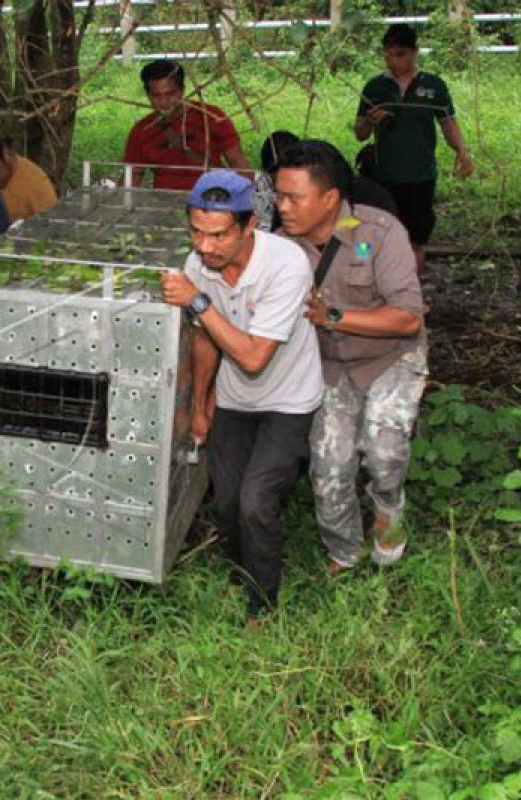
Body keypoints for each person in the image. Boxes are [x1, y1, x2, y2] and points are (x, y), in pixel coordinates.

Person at [159, 170, 322, 618]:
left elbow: (252, 357)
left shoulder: (286, 265)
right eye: (196, 231)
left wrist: (197, 302)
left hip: (288, 400)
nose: (205, 246)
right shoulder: (200, 267)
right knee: (226, 501)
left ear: (249, 225)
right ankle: (242, 568)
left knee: (255, 503)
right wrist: (199, 406)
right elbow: (207, 339)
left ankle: (262, 607)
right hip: (235, 399)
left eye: (218, 235)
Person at [274, 139, 427, 573]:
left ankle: (389, 544)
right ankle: (343, 551)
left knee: (384, 456)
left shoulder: (379, 233)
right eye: (279, 195)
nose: (283, 206)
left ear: (329, 199)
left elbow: (407, 319)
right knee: (328, 468)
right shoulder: (280, 245)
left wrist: (334, 316)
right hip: (328, 365)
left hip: (389, 359)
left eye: (293, 197)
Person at [354, 23, 474, 274]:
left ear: (414, 53)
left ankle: (411, 296)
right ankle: (362, 285)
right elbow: (360, 134)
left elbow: (448, 123)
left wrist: (462, 151)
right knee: (369, 234)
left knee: (416, 239)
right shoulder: (375, 88)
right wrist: (369, 121)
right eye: (388, 55)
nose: (393, 61)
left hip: (421, 176)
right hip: (383, 176)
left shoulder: (434, 87)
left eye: (400, 55)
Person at [123, 59, 249, 192]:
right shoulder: (142, 130)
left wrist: (242, 204)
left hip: (211, 202)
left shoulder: (211, 117)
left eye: (171, 94)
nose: (164, 102)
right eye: (156, 96)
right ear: (148, 95)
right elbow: (132, 178)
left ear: (182, 90)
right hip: (164, 204)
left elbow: (239, 165)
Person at [257, 129, 397, 233]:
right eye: (279, 192)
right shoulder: (286, 211)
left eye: (294, 196)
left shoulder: (371, 202)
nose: (283, 206)